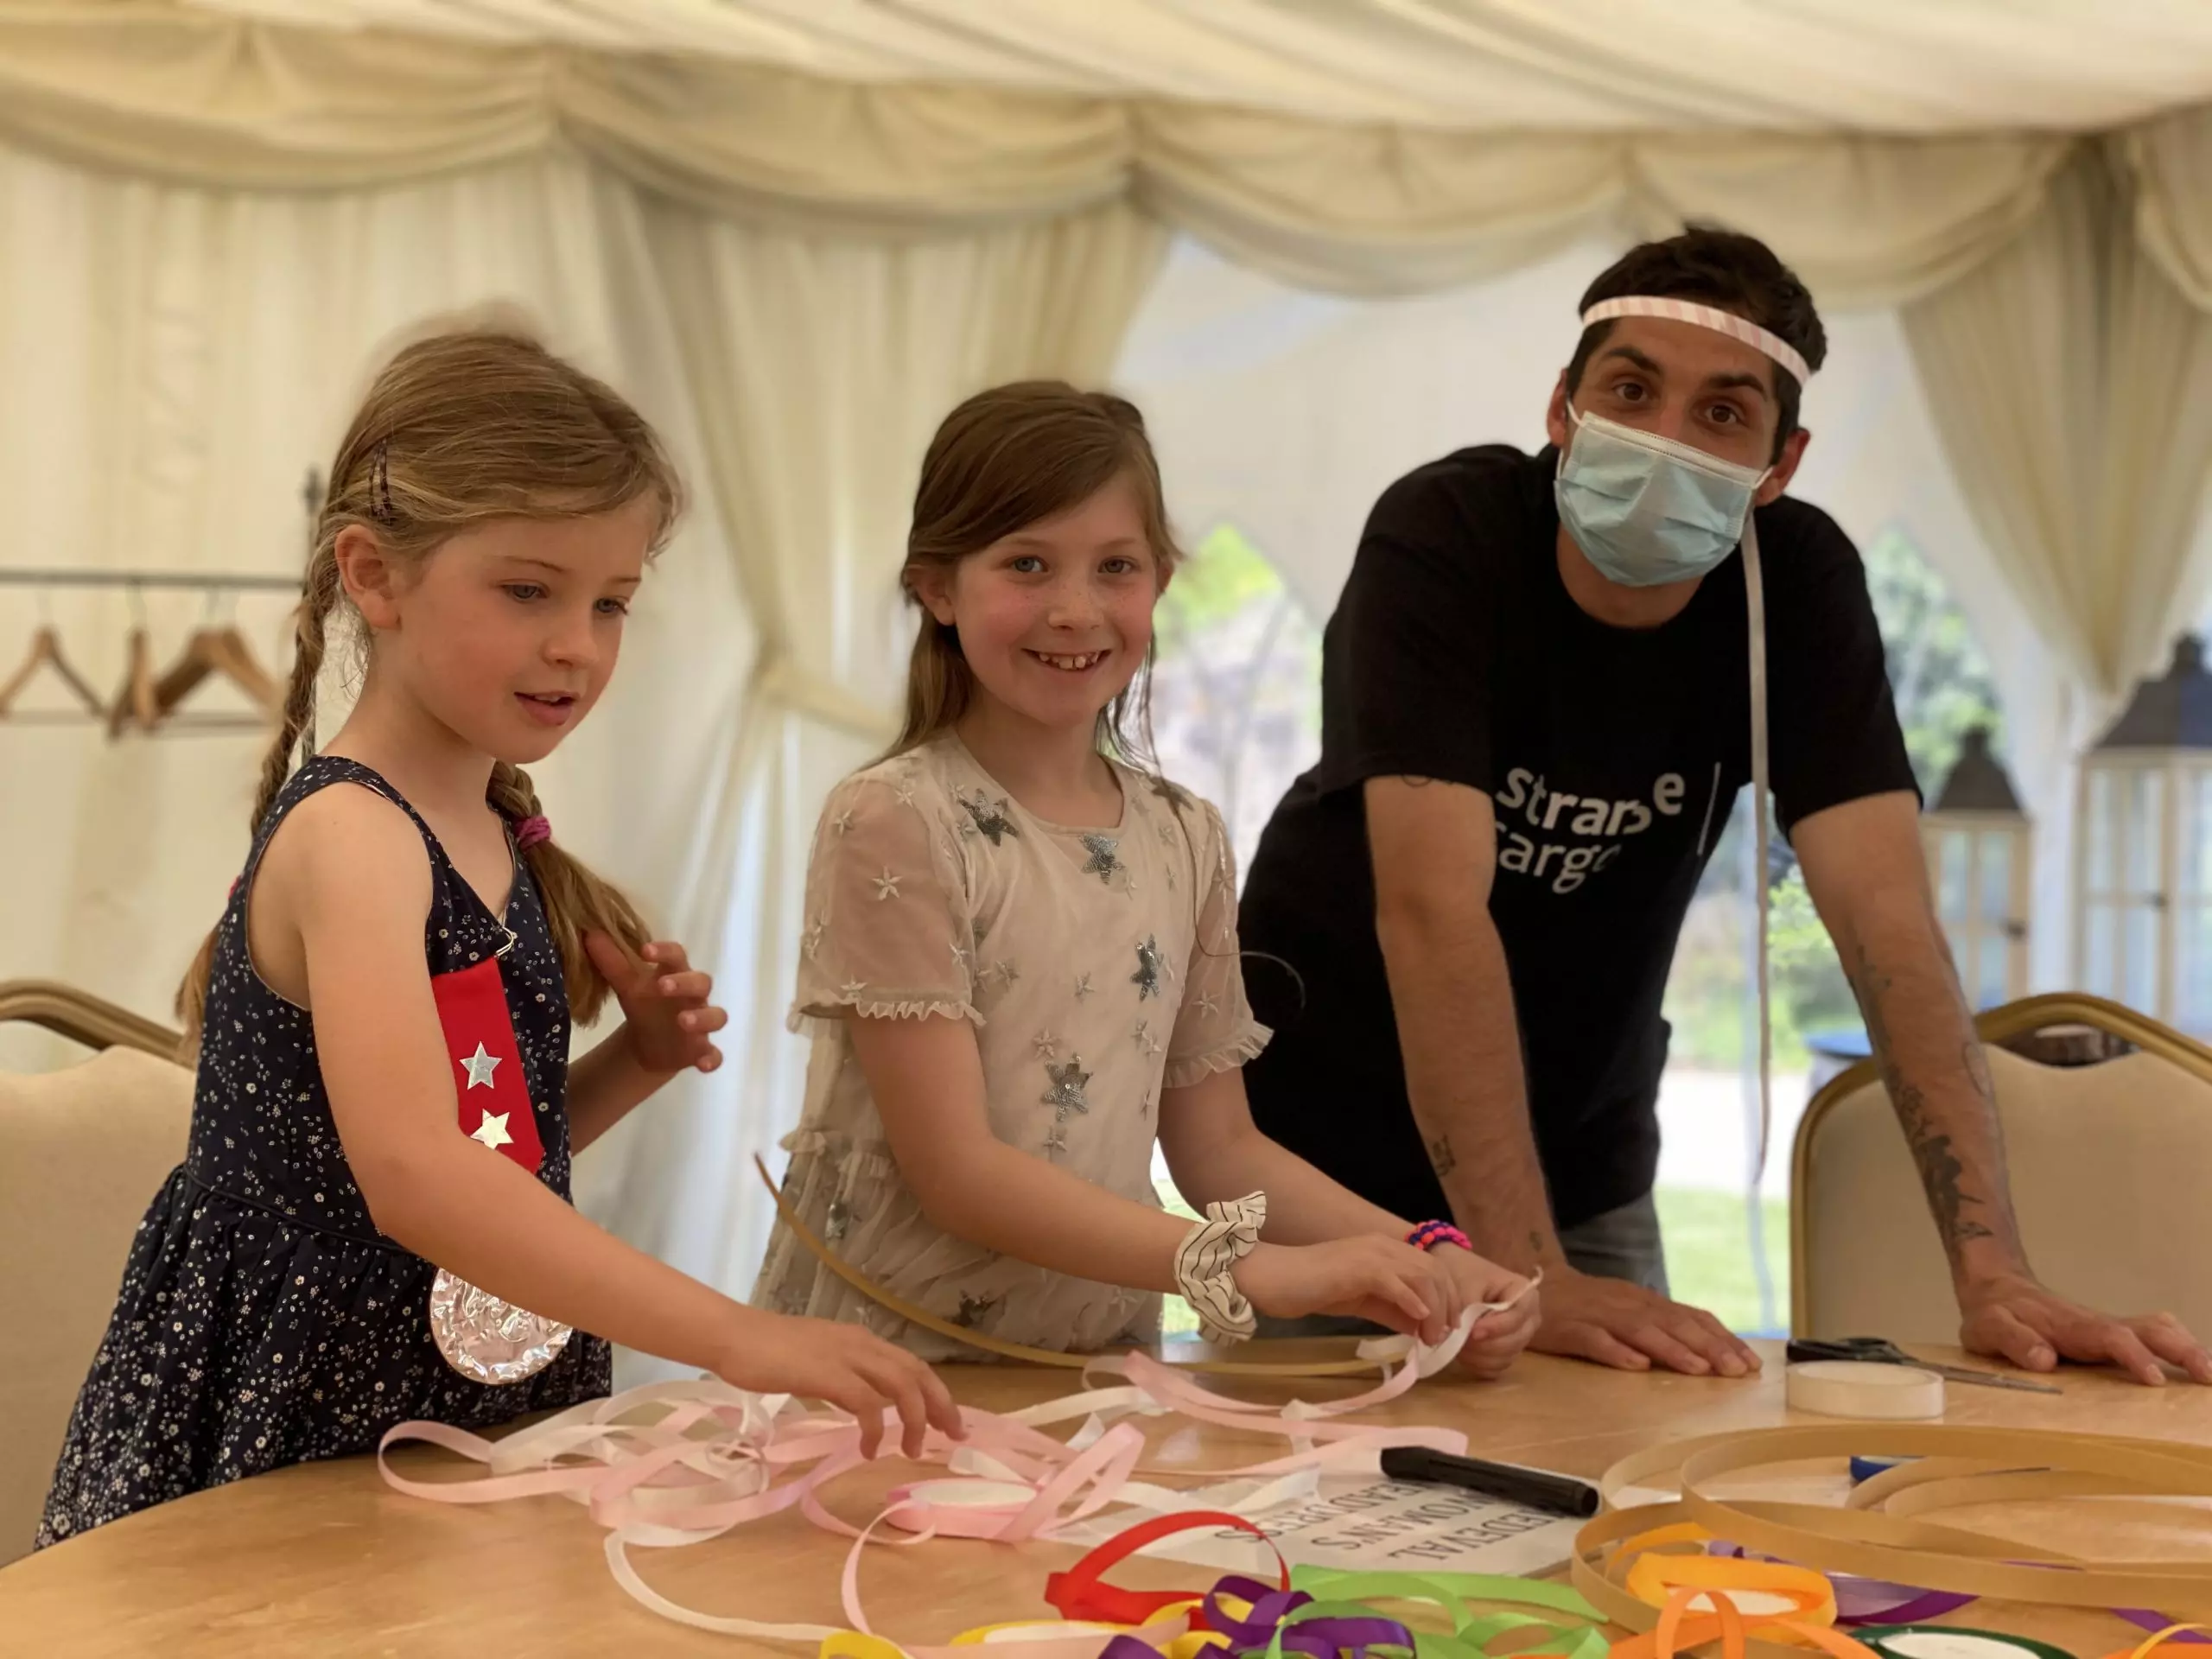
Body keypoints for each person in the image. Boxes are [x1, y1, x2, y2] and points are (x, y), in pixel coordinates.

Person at [1236, 229, 2212, 1388]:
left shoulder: (1795, 587)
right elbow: (1435, 911)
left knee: (1597, 1493)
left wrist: (1994, 1272)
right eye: (1632, 390)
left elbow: (1887, 922)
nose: (1664, 438)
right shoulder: (1446, 536)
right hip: (1330, 1158)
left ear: (1779, 462)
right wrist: (1525, 1272)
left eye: (1721, 414)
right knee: (1323, 1508)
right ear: (1562, 408)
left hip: (1580, 1155)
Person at [38, 327, 959, 1548]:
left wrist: (632, 1062)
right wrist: (738, 1333)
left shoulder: (482, 824)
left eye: (611, 601)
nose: (577, 642)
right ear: (374, 576)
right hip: (307, 1407)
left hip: (437, 1401)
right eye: (529, 590)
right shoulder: (355, 839)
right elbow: (413, 1176)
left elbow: (484, 1156)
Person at [749, 382, 1537, 1372]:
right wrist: (1248, 1270)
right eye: (1026, 564)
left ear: (1159, 581)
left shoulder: (1183, 834)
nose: (1075, 609)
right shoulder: (896, 820)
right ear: (938, 588)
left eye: (1113, 567)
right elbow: (956, 1175)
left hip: (1096, 1373)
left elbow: (1221, 1151)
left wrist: (1420, 1257)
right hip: (890, 1372)